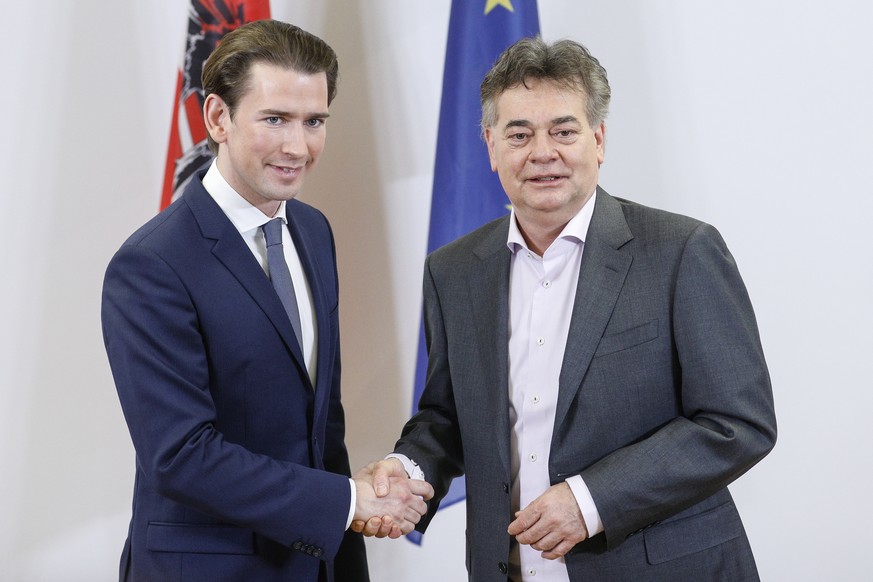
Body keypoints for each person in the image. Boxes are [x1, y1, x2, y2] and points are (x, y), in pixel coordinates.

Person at [358, 37, 777, 580]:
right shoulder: (453, 271)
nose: (542, 153)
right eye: (519, 134)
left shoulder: (681, 251)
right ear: (490, 146)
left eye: (563, 130)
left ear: (598, 139)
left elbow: (737, 423)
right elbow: (447, 415)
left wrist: (591, 500)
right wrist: (405, 469)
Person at [102, 19, 432, 582]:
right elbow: (181, 456)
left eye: (314, 122)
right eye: (275, 119)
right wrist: (348, 504)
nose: (297, 146)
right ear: (217, 118)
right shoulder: (151, 265)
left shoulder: (312, 230)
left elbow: (321, 423)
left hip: (318, 562)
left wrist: (354, 522)